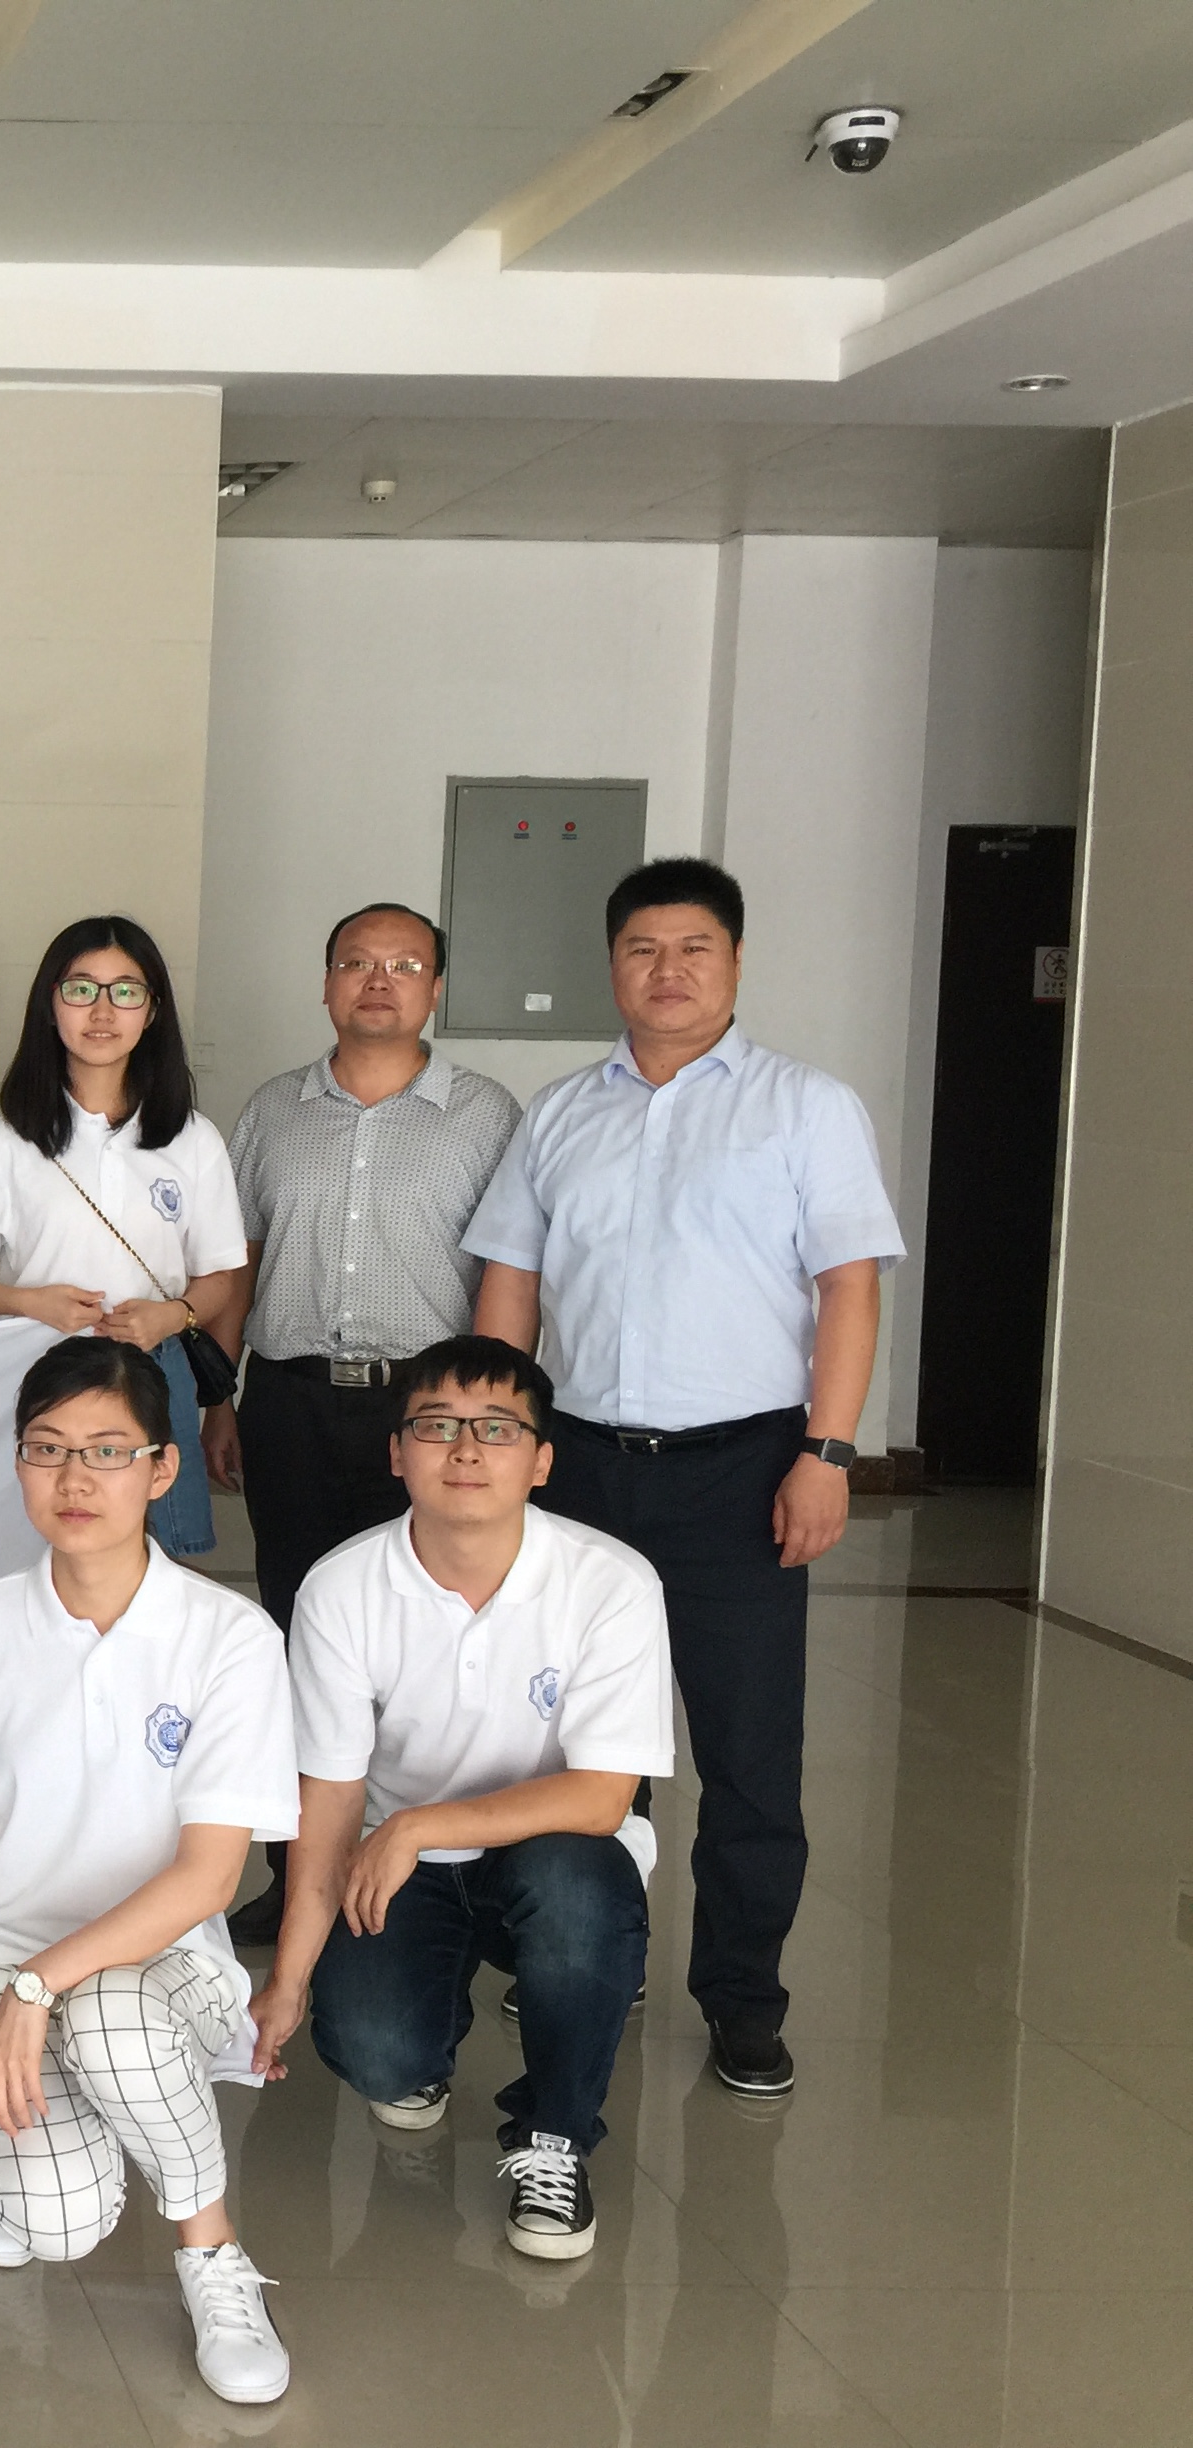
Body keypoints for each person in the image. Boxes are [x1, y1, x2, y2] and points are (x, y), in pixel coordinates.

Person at [466, 856, 901, 2099]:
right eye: (643, 949)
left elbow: (848, 1288)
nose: (667, 971)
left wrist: (828, 1451)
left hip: (744, 1469)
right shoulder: (561, 1113)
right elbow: (512, 1284)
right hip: (582, 1468)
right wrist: (493, 1443)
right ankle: (594, 1949)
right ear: (612, 965)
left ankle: (745, 1999)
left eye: (693, 948)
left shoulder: (805, 1107)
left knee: (749, 1754)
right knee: (574, 1734)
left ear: (736, 962)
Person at [0, 1335, 297, 2408]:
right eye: (47, 1447)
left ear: (163, 1469)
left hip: (162, 1966)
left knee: (107, 2019)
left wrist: (39, 1988)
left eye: (108, 1451)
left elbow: (208, 1880)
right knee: (54, 2224)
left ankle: (213, 2255)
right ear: (19, 1462)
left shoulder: (229, 1638)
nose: (75, 1477)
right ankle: (24, 2156)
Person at [245, 1335, 672, 2261]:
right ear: (397, 1454)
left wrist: (418, 1824)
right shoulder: (341, 1588)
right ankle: (424, 2037)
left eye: (497, 1429)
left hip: (553, 1850)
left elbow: (603, 1797)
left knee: (576, 1890)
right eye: (436, 1427)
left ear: (542, 1460)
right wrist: (287, 1982)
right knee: (376, 2057)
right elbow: (327, 1808)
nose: (467, 1450)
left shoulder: (612, 1583)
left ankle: (554, 2136)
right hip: (403, 1866)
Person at [211, 902, 520, 1944]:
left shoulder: (487, 1116)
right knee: (299, 1634)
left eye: (404, 965)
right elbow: (238, 1266)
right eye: (357, 962)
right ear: (328, 983)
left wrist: (486, 1421)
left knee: (428, 1635)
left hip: (429, 1413)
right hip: (291, 1403)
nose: (379, 980)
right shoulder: (272, 1111)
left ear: (437, 988)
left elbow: (511, 1274)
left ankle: (432, 1870)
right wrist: (220, 1395)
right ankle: (298, 1872)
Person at [0, 915, 246, 1558]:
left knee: (161, 1564)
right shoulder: (6, 1144)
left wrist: (173, 1315)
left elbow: (220, 1277)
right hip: (39, 1376)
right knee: (40, 1554)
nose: (102, 1011)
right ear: (51, 1005)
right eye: (80, 989)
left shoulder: (193, 1138)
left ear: (153, 1011)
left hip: (154, 1377)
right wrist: (27, 1302)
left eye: (126, 991)